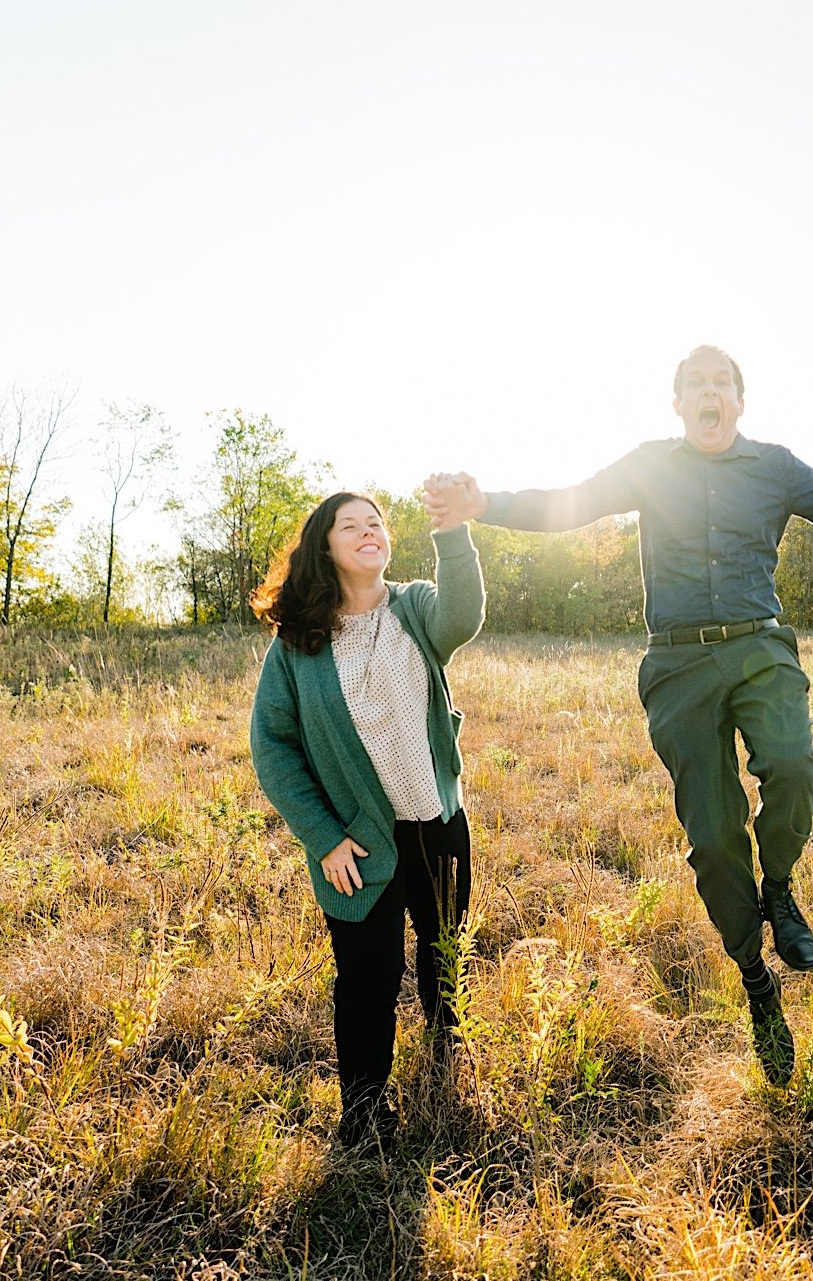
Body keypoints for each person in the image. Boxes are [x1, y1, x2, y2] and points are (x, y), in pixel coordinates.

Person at [422, 345, 813, 1085]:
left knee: (793, 769)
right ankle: (756, 980)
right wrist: (487, 506)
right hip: (677, 664)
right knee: (712, 836)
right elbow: (567, 502)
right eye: (695, 385)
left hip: (760, 647)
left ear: (739, 400)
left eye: (721, 383)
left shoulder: (774, 467)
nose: (709, 394)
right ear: (677, 404)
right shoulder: (649, 464)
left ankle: (782, 888)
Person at [248, 491, 485, 1149]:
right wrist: (324, 838)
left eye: (375, 522)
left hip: (436, 823)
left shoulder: (414, 607)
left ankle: (445, 1066)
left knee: (444, 958)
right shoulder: (299, 642)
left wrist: (453, 530)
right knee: (366, 981)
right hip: (358, 843)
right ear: (325, 547)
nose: (367, 531)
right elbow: (272, 744)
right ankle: (362, 1116)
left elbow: (463, 615)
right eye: (349, 525)